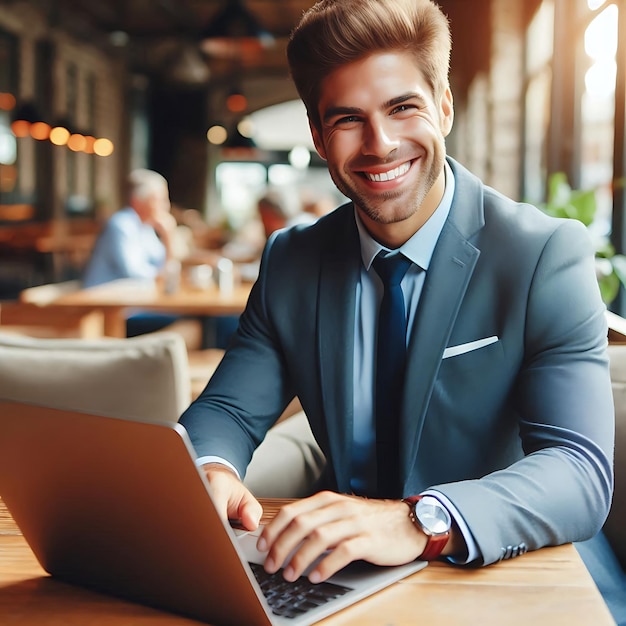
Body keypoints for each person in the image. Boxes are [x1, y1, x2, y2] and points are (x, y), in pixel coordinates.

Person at [180, 0, 622, 619]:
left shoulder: (543, 254)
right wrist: (211, 469)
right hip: (346, 584)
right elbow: (227, 409)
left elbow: (578, 472)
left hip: (516, 580)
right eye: (347, 119)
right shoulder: (293, 260)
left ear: (443, 107)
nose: (380, 144)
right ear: (317, 136)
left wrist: (420, 521)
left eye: (402, 108)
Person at [83, 169, 199, 343]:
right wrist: (168, 238)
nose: (166, 206)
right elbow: (139, 275)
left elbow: (168, 272)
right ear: (138, 201)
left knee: (198, 320)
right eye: (159, 200)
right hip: (111, 313)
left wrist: (169, 238)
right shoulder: (121, 225)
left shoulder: (146, 228)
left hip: (135, 305)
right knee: (194, 323)